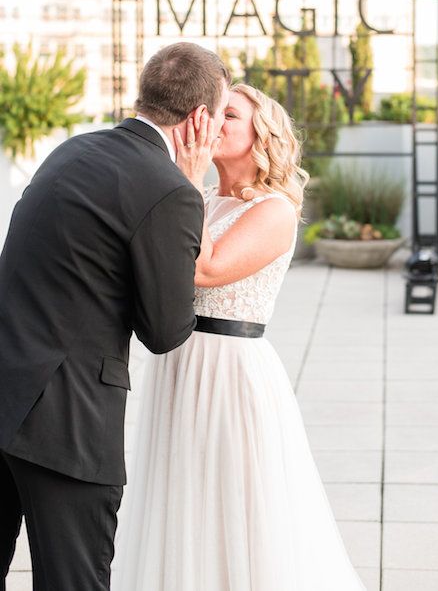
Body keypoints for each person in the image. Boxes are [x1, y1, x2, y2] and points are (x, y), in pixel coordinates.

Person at [112, 83, 367, 591]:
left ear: (261, 135)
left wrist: (183, 172)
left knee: (234, 500)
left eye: (229, 114)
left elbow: (204, 269)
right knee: (180, 495)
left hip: (231, 372)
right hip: (178, 363)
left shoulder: (273, 211)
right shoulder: (201, 198)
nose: (212, 121)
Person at [0, 41, 230, 591]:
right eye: (220, 117)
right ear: (198, 118)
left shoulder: (72, 149)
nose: (220, 131)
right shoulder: (171, 189)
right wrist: (193, 187)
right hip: (65, 423)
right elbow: (166, 330)